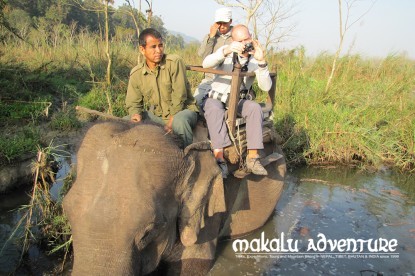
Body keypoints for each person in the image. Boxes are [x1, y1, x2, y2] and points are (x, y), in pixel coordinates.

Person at [198, 24, 272, 178]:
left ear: (251, 37)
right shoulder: (225, 52)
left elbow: (266, 86)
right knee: (212, 108)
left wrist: (261, 62)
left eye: (247, 39)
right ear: (233, 41)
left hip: (239, 99)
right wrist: (227, 50)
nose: (245, 44)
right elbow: (206, 64)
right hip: (217, 95)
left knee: (254, 108)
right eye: (241, 41)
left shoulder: (255, 59)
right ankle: (220, 158)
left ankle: (252, 158)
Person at [125, 28, 198, 147]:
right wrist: (135, 115)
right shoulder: (136, 73)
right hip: (158, 116)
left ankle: (188, 158)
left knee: (179, 122)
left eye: (160, 45)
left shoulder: (174, 62)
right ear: (142, 49)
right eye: (153, 47)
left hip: (183, 111)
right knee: (125, 120)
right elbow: (133, 103)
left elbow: (180, 96)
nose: (158, 50)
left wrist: (171, 122)